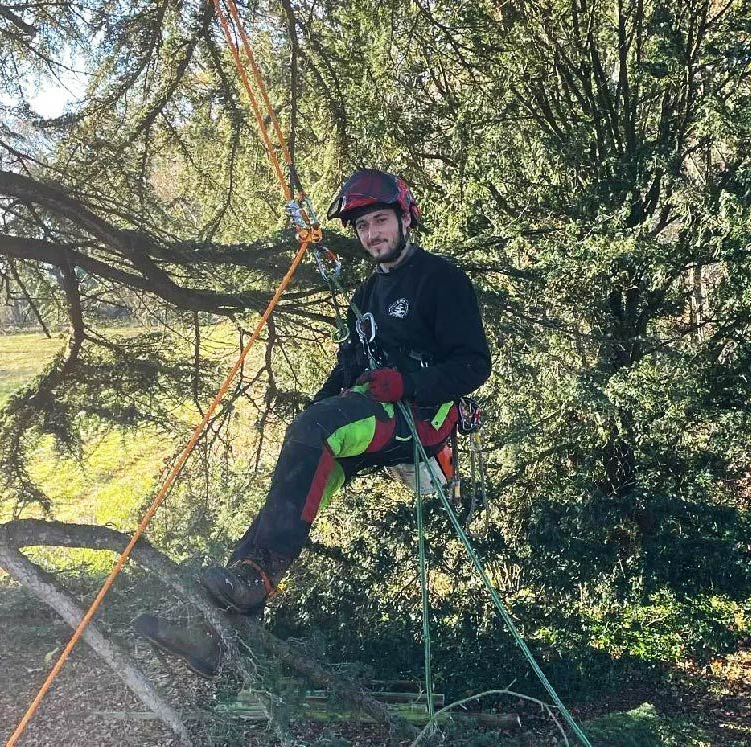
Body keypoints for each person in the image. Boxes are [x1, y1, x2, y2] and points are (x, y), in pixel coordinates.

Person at [135, 169, 491, 675]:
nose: (373, 234)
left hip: (424, 417)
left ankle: (251, 584)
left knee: (316, 432)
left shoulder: (442, 280)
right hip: (377, 413)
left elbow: (474, 365)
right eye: (363, 226)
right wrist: (316, 411)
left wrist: (406, 385)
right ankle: (217, 629)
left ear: (405, 218)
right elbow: (348, 368)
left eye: (381, 220)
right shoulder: (366, 297)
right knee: (298, 484)